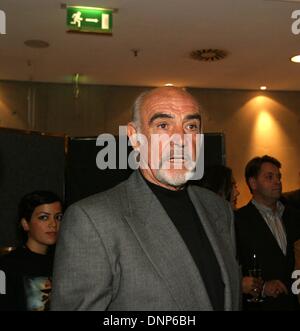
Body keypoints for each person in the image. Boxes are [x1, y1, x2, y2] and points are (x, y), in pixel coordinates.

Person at [51, 87, 240, 311]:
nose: (180, 139)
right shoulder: (92, 220)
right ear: (135, 137)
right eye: (163, 125)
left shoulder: (218, 209)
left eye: (191, 126)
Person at [235, 155, 300, 310]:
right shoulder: (238, 221)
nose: (277, 181)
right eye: (269, 177)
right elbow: (233, 269)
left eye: (278, 176)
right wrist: (262, 288)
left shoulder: (295, 216)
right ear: (253, 183)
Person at [198, 165, 263, 297]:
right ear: (218, 191)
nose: (237, 192)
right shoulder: (203, 231)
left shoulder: (229, 225)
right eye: (232, 185)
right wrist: (238, 285)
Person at [0, 191, 63, 311]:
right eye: (44, 217)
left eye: (58, 217)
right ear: (25, 224)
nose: (53, 224)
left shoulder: (66, 262)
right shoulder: (7, 266)